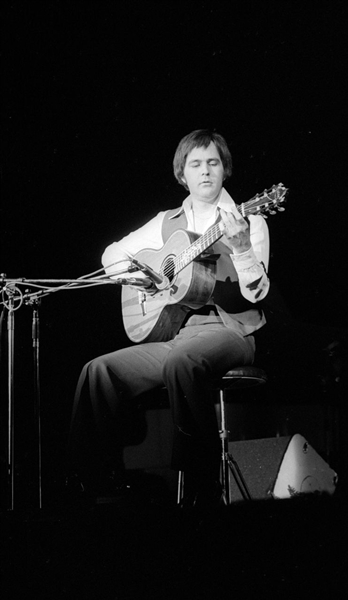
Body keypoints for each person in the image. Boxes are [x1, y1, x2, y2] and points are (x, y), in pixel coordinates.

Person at [67, 129, 270, 508]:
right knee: (99, 371)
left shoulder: (249, 220)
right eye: (196, 164)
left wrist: (241, 249)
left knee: (183, 361)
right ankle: (97, 481)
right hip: (175, 333)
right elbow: (112, 254)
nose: (205, 171)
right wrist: (146, 278)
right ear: (183, 173)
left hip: (230, 330)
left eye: (213, 163)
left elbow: (256, 294)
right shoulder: (165, 222)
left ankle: (200, 483)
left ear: (225, 170)